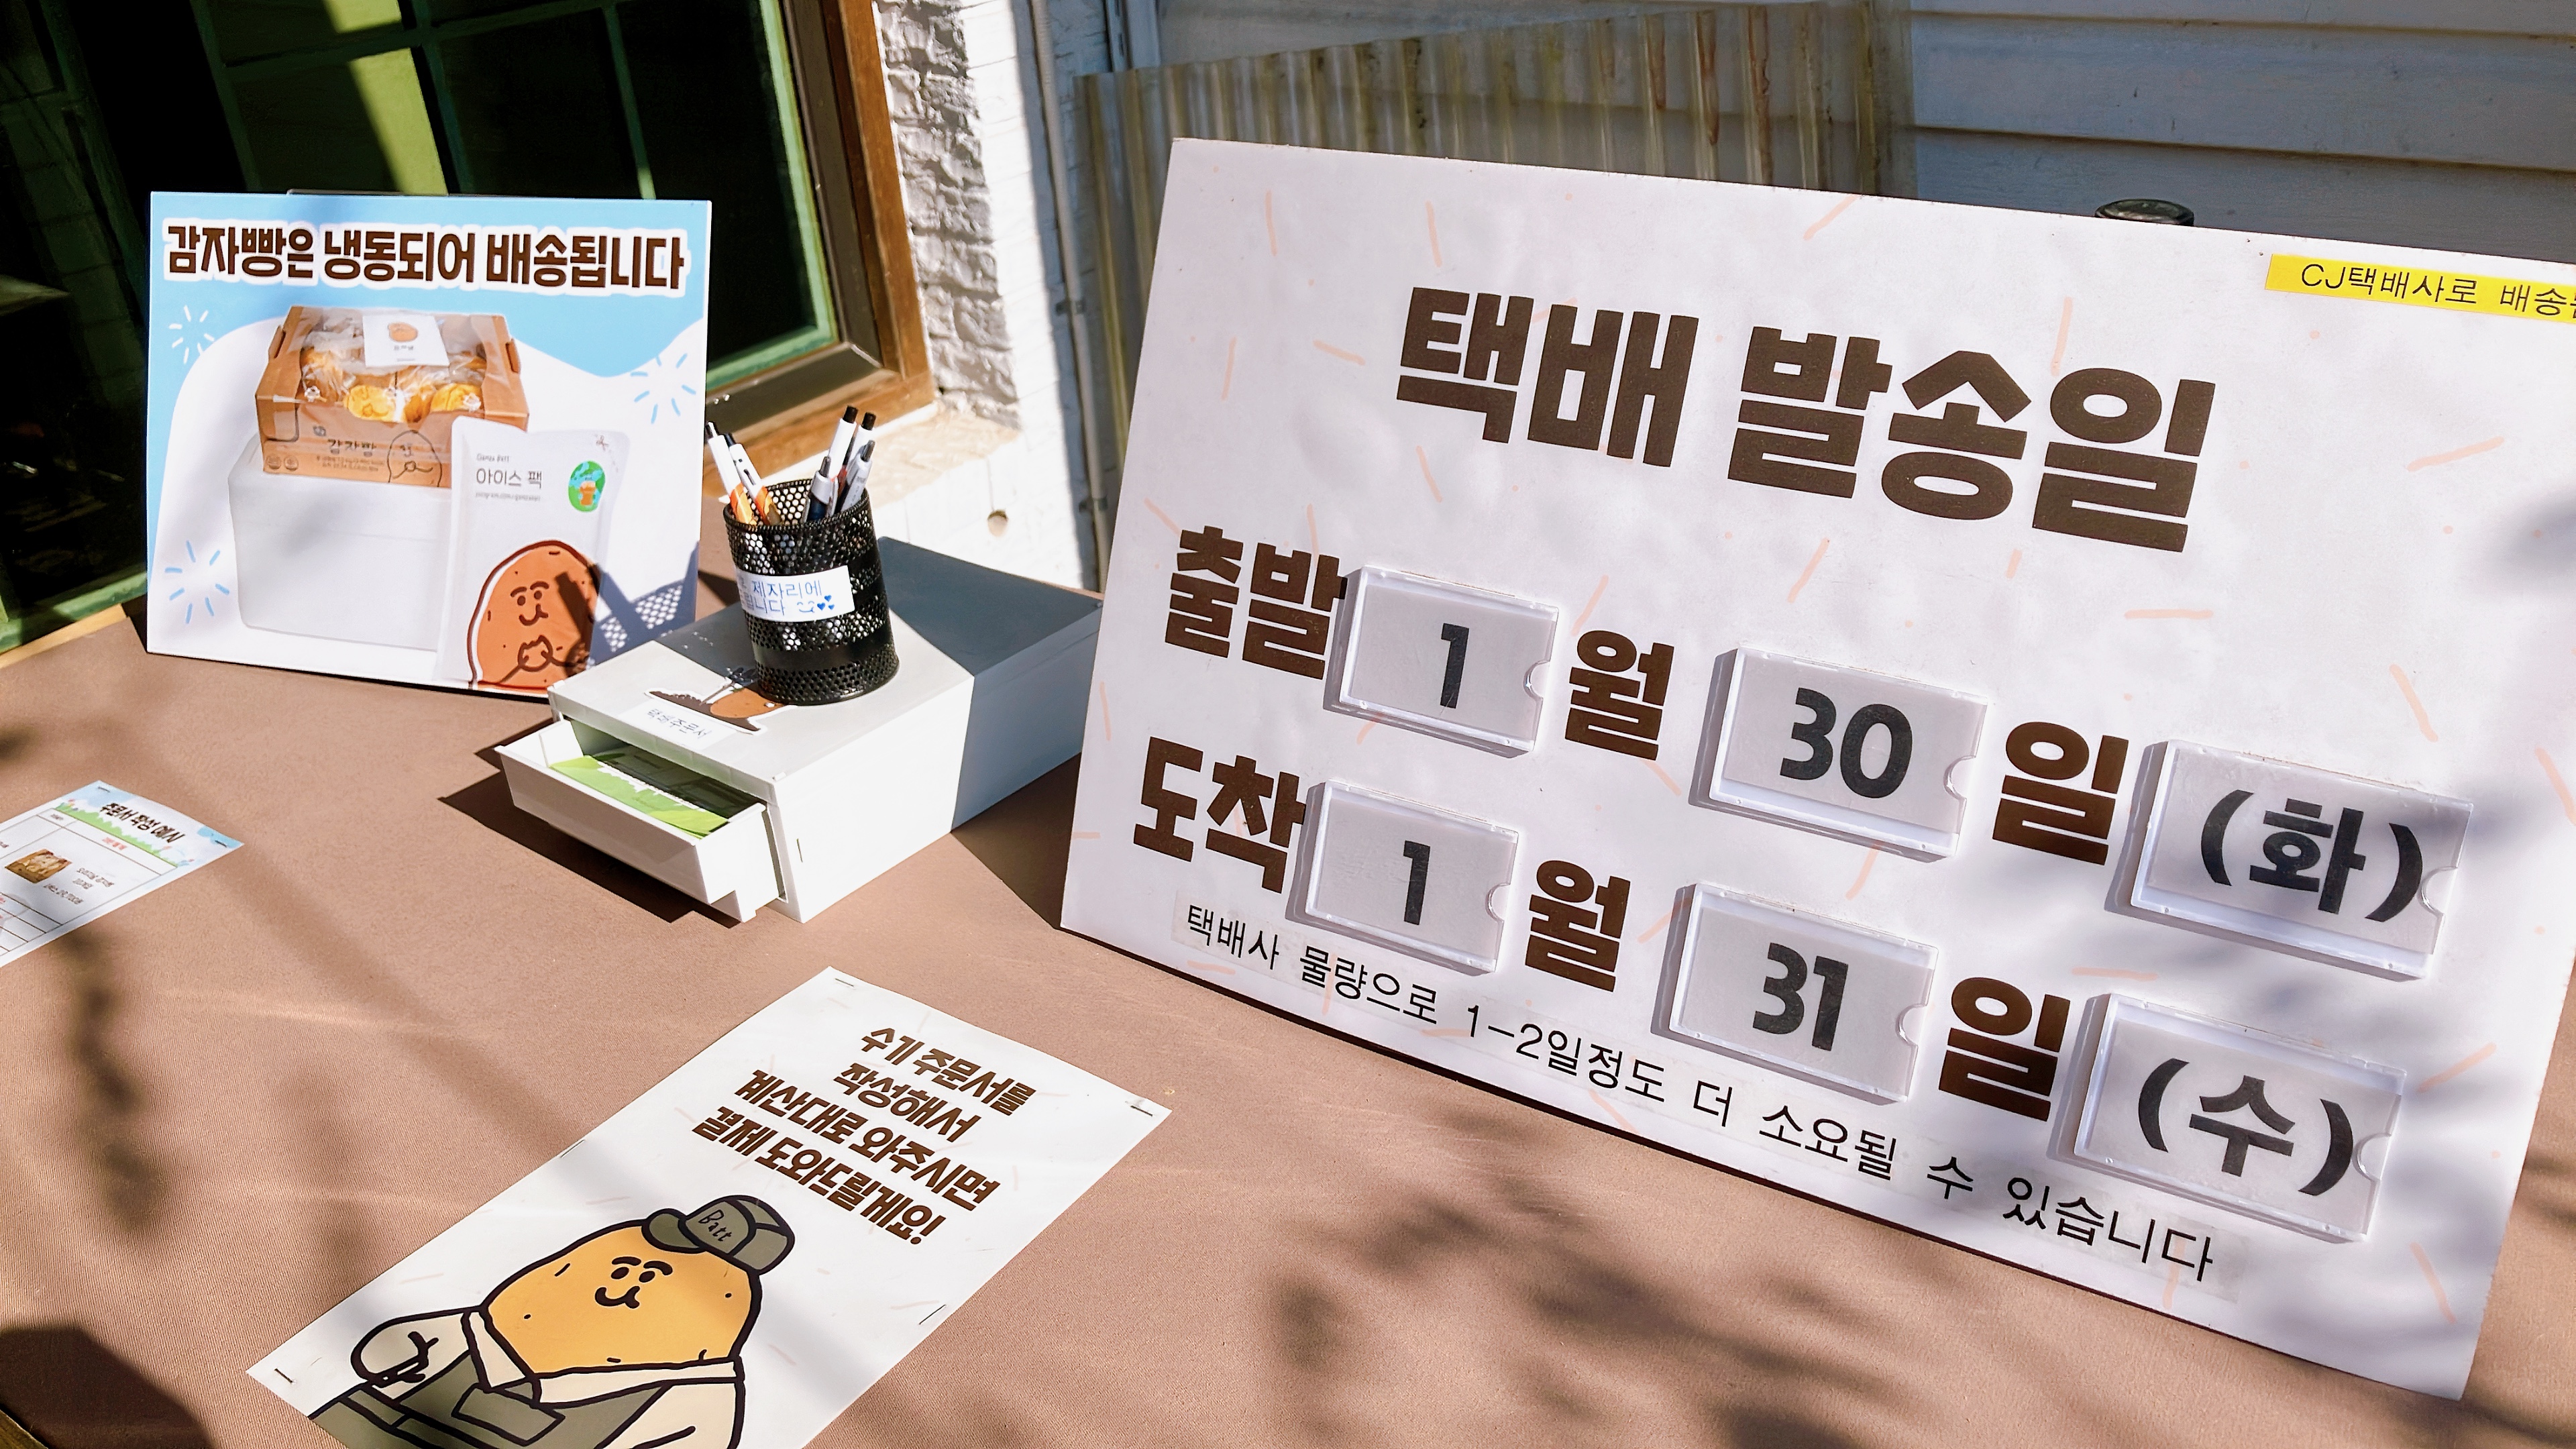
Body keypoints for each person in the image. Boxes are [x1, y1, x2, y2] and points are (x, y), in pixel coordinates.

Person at [311, 1197, 793, 1449]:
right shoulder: (490, 1329)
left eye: (654, 1276)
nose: (629, 1281)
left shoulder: (689, 1402)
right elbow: (389, 1349)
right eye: (626, 1265)